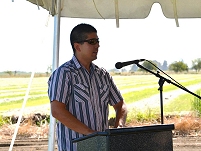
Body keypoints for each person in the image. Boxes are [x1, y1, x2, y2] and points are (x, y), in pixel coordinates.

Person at [48, 23, 127, 151]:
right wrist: (90, 133)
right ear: (77, 46)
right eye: (92, 41)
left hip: (102, 147)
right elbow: (57, 111)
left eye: (97, 41)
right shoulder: (64, 73)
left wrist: (119, 126)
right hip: (75, 147)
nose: (97, 45)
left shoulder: (103, 74)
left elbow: (120, 105)